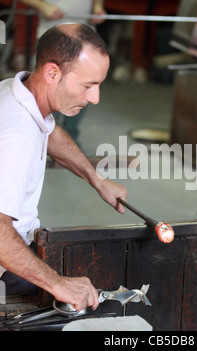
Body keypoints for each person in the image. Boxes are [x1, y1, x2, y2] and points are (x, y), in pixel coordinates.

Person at [0, 23, 127, 312]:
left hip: (15, 245)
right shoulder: (15, 136)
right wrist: (57, 283)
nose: (95, 98)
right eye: (87, 86)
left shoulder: (17, 92)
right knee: (97, 301)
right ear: (52, 72)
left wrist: (96, 179)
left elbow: (50, 132)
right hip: (5, 267)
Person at [18, 0, 107, 144]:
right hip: (53, 38)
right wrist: (43, 6)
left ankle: (70, 139)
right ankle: (45, 140)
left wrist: (97, 6)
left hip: (85, 39)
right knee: (51, 92)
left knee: (84, 89)